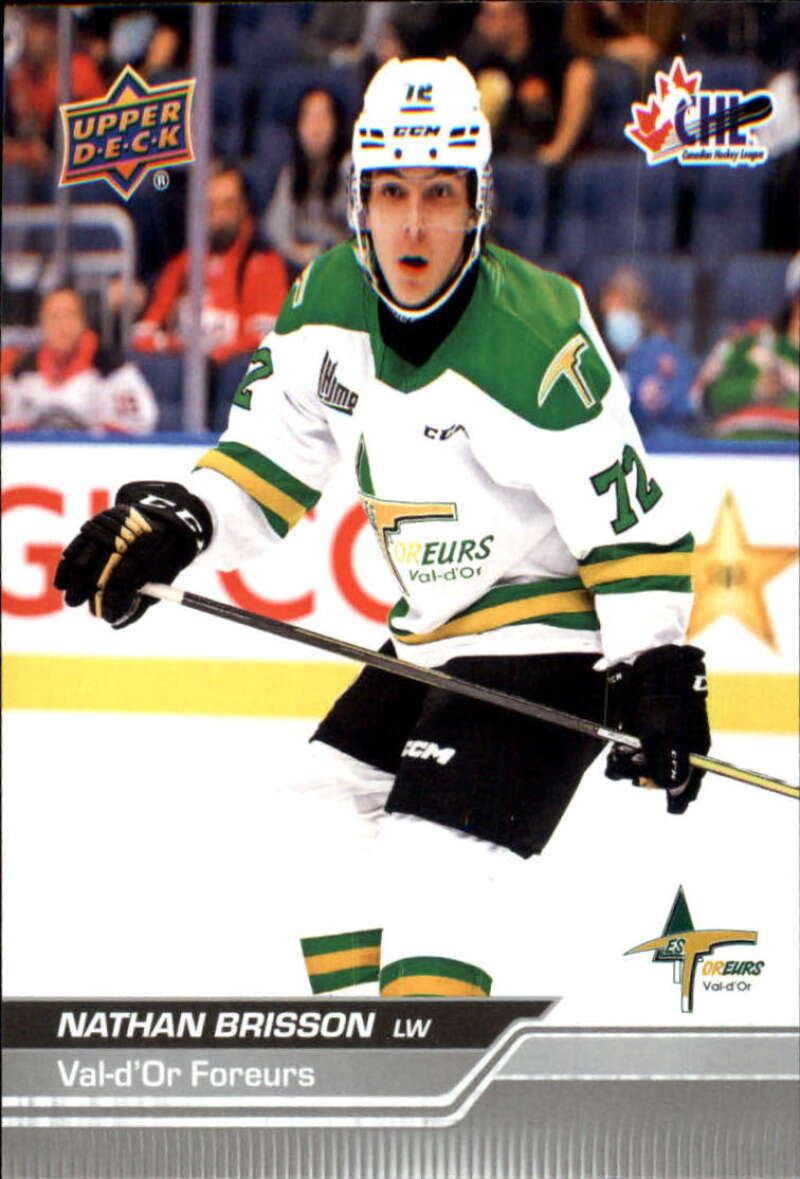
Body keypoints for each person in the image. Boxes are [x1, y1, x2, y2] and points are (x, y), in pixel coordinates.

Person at [54, 57, 710, 998]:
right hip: (431, 639)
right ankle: (371, 1058)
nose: (413, 225)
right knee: (319, 806)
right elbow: (264, 467)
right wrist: (182, 522)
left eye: (440, 194)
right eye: (392, 191)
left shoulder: (536, 333)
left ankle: (423, 1075)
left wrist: (657, 666)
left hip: (553, 638)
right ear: (358, 197)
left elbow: (629, 524)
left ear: (477, 202)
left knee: (433, 857)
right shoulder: (324, 304)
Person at [132, 161, 289, 366]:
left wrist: (216, 357)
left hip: (233, 373)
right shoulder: (181, 265)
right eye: (211, 207)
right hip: (184, 368)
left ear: (243, 208)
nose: (219, 216)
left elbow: (266, 337)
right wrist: (175, 346)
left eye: (228, 205)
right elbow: (145, 332)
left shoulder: (263, 264)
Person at [2, 287, 157, 434]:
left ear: (83, 321)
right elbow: (7, 427)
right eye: (54, 316)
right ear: (42, 324)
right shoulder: (21, 371)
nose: (62, 325)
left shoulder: (112, 369)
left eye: (69, 315)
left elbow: (140, 424)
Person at [464, 0, 595, 164]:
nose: (482, 23)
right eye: (485, 16)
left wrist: (556, 152)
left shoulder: (551, 53)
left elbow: (582, 73)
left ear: (517, 17)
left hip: (550, 154)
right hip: (503, 155)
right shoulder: (483, 63)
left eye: (491, 16)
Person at [689, 253, 800, 441]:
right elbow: (704, 398)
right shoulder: (751, 343)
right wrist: (754, 390)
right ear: (796, 298)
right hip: (735, 450)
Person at [3, 7, 105, 204]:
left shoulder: (78, 71)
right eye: (28, 26)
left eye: (36, 28)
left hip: (83, 172)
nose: (28, 35)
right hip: (39, 172)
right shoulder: (20, 74)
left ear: (57, 33)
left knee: (19, 180)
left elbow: (51, 149)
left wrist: (17, 151)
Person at [597, 266, 696, 438]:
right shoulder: (623, 359)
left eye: (622, 310)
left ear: (639, 312)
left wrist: (657, 400)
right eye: (609, 314)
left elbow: (682, 405)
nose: (614, 320)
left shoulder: (657, 353)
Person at [264, 88, 351, 274]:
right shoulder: (291, 175)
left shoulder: (350, 170)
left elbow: (359, 231)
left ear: (336, 125)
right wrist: (296, 252)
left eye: (322, 117)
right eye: (308, 118)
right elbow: (275, 228)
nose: (315, 127)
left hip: (342, 267)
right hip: (299, 269)